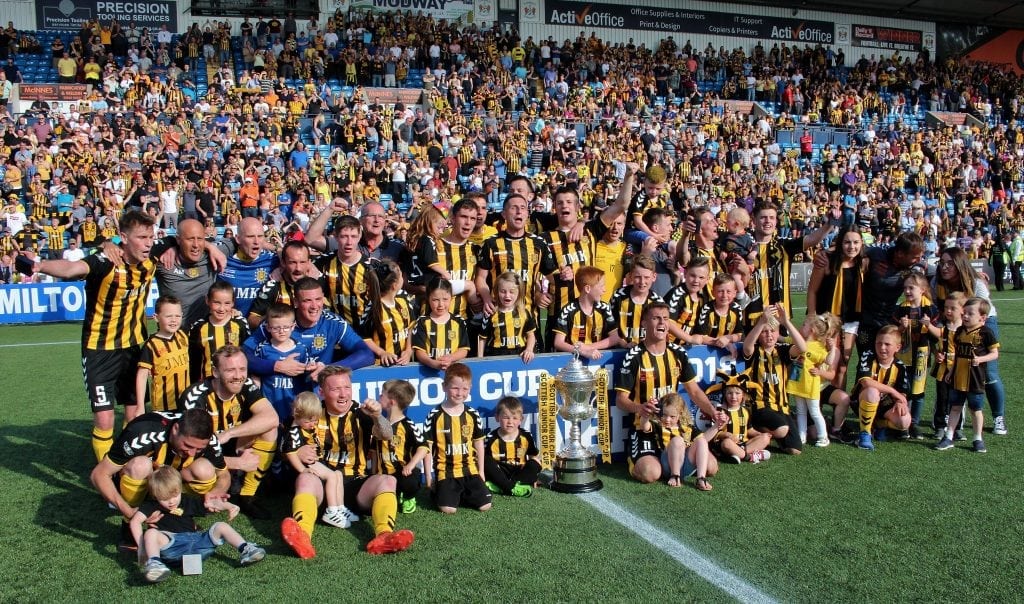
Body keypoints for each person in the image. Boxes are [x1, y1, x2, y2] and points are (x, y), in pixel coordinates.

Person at [18, 210, 158, 462]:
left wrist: (212, 248)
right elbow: (72, 268)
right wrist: (40, 265)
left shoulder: (152, 257)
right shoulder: (104, 262)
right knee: (104, 419)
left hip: (133, 347)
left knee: (134, 413)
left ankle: (129, 466)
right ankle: (106, 473)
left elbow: (185, 239)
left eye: (151, 237)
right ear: (124, 237)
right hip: (99, 350)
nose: (148, 243)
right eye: (142, 237)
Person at [281, 366, 414, 558]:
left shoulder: (362, 413)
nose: (343, 394)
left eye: (347, 387)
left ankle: (384, 535)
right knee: (305, 478)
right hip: (322, 488)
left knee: (388, 480)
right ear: (322, 392)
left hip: (355, 486)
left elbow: (386, 435)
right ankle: (302, 535)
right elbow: (284, 447)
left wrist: (378, 417)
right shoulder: (311, 411)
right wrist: (297, 452)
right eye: (336, 389)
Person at [90, 408, 230, 552]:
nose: (192, 453)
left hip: (169, 481)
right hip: (137, 481)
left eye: (199, 449)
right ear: (175, 429)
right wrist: (130, 512)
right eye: (188, 445)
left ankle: (180, 519)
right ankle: (129, 528)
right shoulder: (143, 433)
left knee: (205, 470)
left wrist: (215, 492)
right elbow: (98, 475)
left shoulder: (209, 441)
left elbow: (224, 475)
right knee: (140, 466)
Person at [616, 302, 726, 484]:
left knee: (711, 467)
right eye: (656, 318)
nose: (662, 322)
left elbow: (694, 391)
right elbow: (621, 400)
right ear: (644, 323)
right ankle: (649, 461)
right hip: (646, 427)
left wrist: (713, 412)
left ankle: (672, 462)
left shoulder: (677, 353)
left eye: (665, 318)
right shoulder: (634, 356)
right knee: (650, 473)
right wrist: (640, 408)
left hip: (674, 425)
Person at [177, 345, 280, 518]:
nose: (238, 376)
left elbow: (271, 418)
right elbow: (190, 450)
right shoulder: (195, 396)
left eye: (242, 369)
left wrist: (229, 433)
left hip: (228, 446)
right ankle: (199, 499)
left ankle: (247, 496)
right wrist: (237, 463)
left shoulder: (245, 384)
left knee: (269, 429)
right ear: (215, 372)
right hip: (201, 455)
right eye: (230, 370)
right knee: (201, 468)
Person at [130, 466, 265, 584]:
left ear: (180, 489)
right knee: (151, 533)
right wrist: (142, 547)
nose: (171, 502)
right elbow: (135, 521)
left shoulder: (186, 500)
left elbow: (211, 503)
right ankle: (155, 563)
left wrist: (229, 506)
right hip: (172, 546)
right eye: (164, 498)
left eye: (175, 495)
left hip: (197, 543)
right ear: (155, 496)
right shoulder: (151, 506)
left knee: (220, 526)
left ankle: (246, 549)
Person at [244, 276, 374, 391]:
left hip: (317, 394)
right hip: (279, 394)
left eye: (318, 299)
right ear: (296, 302)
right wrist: (277, 366)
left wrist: (328, 368)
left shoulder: (333, 323)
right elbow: (244, 355)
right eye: (307, 301)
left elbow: (367, 354)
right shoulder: (280, 323)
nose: (314, 306)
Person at [932, 247, 1006, 436]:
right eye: (942, 263)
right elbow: (936, 310)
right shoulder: (936, 282)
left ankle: (998, 417)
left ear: (960, 264)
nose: (944, 267)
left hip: (982, 322)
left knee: (988, 372)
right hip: (955, 325)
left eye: (950, 263)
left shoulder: (976, 283)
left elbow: (982, 312)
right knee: (955, 369)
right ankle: (951, 418)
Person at [281, 392, 359, 528]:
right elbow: (290, 454)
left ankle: (340, 508)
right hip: (308, 464)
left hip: (316, 461)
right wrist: (303, 470)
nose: (312, 424)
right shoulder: (294, 432)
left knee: (338, 474)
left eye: (315, 421)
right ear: (296, 415)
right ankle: (331, 511)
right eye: (308, 421)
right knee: (332, 476)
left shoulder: (307, 428)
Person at [424, 363, 493, 514]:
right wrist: (429, 476)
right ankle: (442, 492)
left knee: (485, 505)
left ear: (470, 388)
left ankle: (460, 493)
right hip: (446, 471)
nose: (460, 393)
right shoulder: (434, 415)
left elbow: (479, 443)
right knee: (448, 509)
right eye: (455, 388)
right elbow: (427, 448)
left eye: (465, 389)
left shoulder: (472, 414)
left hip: (469, 470)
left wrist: (481, 471)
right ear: (444, 387)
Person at [934, 298, 1000, 453]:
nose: (965, 316)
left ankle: (978, 439)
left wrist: (981, 359)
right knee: (955, 407)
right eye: (964, 313)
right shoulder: (959, 331)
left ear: (982, 317)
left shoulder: (986, 333)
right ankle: (948, 437)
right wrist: (951, 372)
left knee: (975, 409)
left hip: (975, 379)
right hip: (958, 377)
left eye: (970, 313)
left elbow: (995, 353)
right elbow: (957, 354)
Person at [741, 303, 807, 455]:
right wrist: (761, 322)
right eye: (764, 332)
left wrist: (786, 322)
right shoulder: (755, 351)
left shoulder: (782, 350)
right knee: (782, 429)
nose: (769, 335)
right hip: (760, 407)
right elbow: (746, 347)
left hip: (782, 407)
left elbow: (802, 348)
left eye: (772, 331)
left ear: (778, 333)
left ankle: (768, 434)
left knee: (795, 450)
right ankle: (756, 428)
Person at [806, 227, 865, 390]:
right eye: (847, 242)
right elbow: (812, 291)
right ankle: (816, 401)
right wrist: (812, 318)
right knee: (823, 363)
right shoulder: (826, 261)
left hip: (851, 320)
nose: (852, 246)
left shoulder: (864, 262)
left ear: (861, 243)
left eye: (856, 242)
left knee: (842, 366)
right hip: (827, 321)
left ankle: (838, 402)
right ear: (840, 243)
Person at [632, 392, 723, 490]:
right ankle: (675, 475)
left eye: (672, 417)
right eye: (664, 415)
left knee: (702, 441)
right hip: (667, 464)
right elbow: (644, 426)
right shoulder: (657, 425)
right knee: (677, 440)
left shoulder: (687, 428)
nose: (667, 419)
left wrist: (717, 425)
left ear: (680, 414)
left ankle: (701, 478)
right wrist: (647, 414)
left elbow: (704, 441)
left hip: (686, 465)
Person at [245, 303, 313, 422]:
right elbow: (256, 375)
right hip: (270, 404)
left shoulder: (301, 349)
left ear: (293, 326)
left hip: (294, 406)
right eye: (276, 328)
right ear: (268, 327)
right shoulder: (263, 349)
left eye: (286, 327)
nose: (281, 331)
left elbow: (307, 377)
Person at [850, 326, 911, 451]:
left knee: (904, 421)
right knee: (872, 391)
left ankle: (879, 425)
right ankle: (865, 434)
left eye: (887, 344)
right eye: (879, 343)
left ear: (897, 347)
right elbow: (866, 382)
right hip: (862, 400)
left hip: (884, 404)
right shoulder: (868, 356)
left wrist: (900, 401)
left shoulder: (900, 366)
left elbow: (903, 391)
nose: (882, 347)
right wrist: (893, 391)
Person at [893, 272, 938, 439]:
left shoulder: (931, 309)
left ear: (923, 289)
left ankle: (915, 423)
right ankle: (904, 422)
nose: (907, 291)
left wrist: (929, 325)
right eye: (905, 288)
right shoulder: (900, 309)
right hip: (904, 356)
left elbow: (938, 335)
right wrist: (901, 327)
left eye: (911, 288)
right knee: (904, 389)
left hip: (921, 356)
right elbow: (893, 334)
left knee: (918, 391)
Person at [375, 379, 428, 514]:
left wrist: (410, 465)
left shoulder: (408, 425)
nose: (379, 396)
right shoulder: (379, 425)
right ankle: (393, 494)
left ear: (392, 402)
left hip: (403, 472)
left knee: (409, 482)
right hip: (384, 474)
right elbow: (374, 450)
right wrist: (373, 472)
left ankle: (409, 497)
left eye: (382, 394)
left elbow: (423, 448)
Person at [788, 313, 839, 447]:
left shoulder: (818, 346)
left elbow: (829, 361)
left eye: (804, 325)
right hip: (798, 382)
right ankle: (802, 436)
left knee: (815, 412)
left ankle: (823, 437)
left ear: (812, 330)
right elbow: (785, 339)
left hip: (810, 385)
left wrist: (833, 348)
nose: (801, 326)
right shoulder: (799, 341)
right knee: (800, 411)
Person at [135, 296, 190, 414]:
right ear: (156, 317)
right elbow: (142, 376)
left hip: (186, 400)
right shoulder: (151, 345)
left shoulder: (183, 335)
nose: (174, 320)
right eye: (168, 316)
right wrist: (140, 406)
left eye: (177, 316)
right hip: (163, 405)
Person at [705, 371, 772, 464]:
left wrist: (758, 434)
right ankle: (750, 457)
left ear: (743, 395)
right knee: (726, 444)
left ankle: (738, 454)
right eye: (730, 393)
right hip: (727, 443)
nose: (733, 397)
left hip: (744, 444)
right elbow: (715, 433)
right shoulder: (720, 411)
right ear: (725, 394)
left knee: (765, 438)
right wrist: (726, 435)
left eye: (737, 393)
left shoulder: (746, 410)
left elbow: (749, 429)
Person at [552, 265, 619, 359]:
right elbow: (558, 342)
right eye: (601, 286)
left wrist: (587, 348)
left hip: (598, 359)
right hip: (573, 361)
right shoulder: (568, 310)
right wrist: (582, 351)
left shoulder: (604, 308)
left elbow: (615, 338)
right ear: (587, 289)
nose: (604, 290)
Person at [924, 292, 965, 440]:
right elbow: (934, 339)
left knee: (958, 400)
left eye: (953, 308)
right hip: (942, 369)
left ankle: (957, 428)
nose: (948, 311)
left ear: (962, 310)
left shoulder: (966, 329)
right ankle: (940, 426)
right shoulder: (942, 326)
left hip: (959, 371)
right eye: (946, 307)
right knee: (942, 398)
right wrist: (937, 353)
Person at [188, 281, 250, 380]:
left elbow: (247, 355)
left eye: (227, 303)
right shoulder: (198, 327)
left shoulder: (240, 323)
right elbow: (193, 361)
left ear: (233, 303)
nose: (221, 308)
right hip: (208, 383)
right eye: (217, 303)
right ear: (207, 300)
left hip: (234, 380)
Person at [483, 396, 541, 497]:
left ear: (521, 419)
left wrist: (534, 475)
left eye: (515, 418)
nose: (510, 422)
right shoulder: (491, 438)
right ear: (497, 417)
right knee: (486, 461)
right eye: (506, 417)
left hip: (519, 472)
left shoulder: (526, 436)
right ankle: (512, 488)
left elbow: (533, 456)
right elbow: (486, 462)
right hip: (500, 472)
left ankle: (501, 487)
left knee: (535, 463)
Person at [361, 259, 415, 366]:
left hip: (405, 364)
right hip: (381, 367)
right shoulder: (373, 307)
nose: (403, 279)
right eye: (401, 276)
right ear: (394, 285)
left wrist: (409, 350)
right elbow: (363, 337)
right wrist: (382, 353)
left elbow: (411, 327)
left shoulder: (404, 298)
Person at [477, 271, 537, 363]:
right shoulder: (491, 313)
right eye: (503, 291)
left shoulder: (524, 313)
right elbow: (482, 338)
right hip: (496, 356)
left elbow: (531, 335)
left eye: (512, 292)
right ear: (497, 292)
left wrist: (529, 349)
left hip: (519, 356)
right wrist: (479, 359)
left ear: (519, 293)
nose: (507, 295)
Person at [412, 277, 470, 369]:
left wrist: (451, 358)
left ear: (451, 298)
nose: (441, 304)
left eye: (445, 299)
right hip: (427, 372)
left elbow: (464, 349)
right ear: (428, 299)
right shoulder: (422, 322)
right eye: (435, 300)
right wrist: (433, 363)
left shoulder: (459, 322)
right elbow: (419, 351)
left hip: (452, 370)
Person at [611, 254, 667, 345]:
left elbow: (661, 331)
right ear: (630, 276)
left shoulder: (657, 302)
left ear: (654, 277)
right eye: (637, 277)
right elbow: (610, 327)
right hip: (619, 348)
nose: (642, 282)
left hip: (646, 349)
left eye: (646, 277)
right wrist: (623, 344)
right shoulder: (619, 296)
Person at [690, 273, 744, 355]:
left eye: (728, 291)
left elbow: (739, 335)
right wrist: (720, 342)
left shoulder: (737, 309)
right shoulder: (706, 309)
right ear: (713, 293)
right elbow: (700, 337)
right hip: (707, 351)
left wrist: (728, 338)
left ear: (734, 293)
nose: (724, 295)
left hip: (729, 352)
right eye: (720, 291)